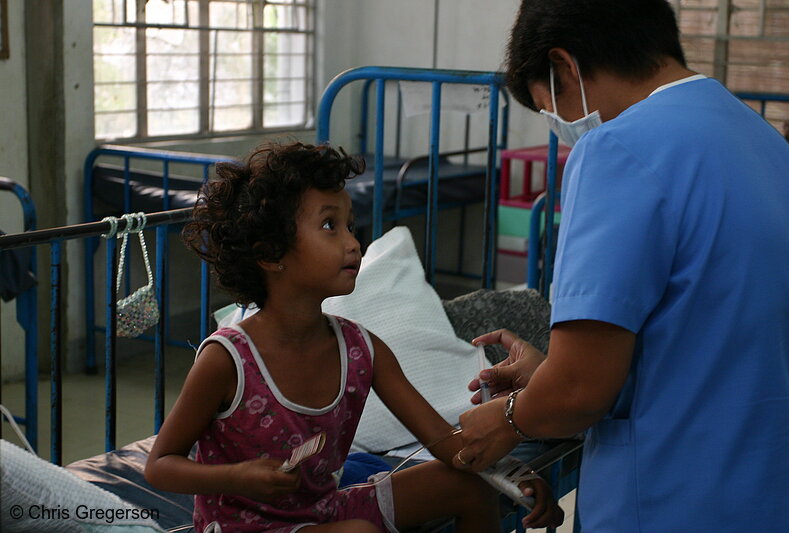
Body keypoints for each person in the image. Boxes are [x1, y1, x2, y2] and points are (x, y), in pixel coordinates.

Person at [451, 1, 789, 532]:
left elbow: (580, 391)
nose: (564, 130)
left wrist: (508, 417)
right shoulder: (763, 142)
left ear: (565, 66)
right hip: (769, 491)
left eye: (555, 111)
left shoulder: (618, 148)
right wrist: (550, 372)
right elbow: (710, 337)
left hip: (673, 499)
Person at [144, 141, 563, 533]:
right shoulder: (227, 360)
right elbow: (161, 465)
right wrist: (235, 478)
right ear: (271, 254)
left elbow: (445, 443)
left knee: (467, 488)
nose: (353, 243)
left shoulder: (363, 349)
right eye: (330, 225)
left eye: (350, 225)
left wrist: (511, 474)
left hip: (323, 508)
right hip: (245, 526)